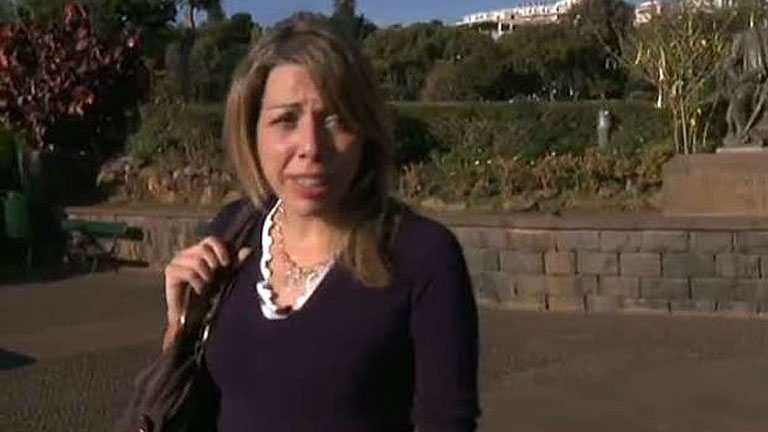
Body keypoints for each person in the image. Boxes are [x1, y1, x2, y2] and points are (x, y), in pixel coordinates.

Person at [162, 13, 479, 432]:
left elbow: (447, 421)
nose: (311, 146)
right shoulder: (232, 232)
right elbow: (193, 400)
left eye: (337, 120)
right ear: (252, 131)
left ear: (366, 132)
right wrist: (179, 327)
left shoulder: (422, 256)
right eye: (285, 120)